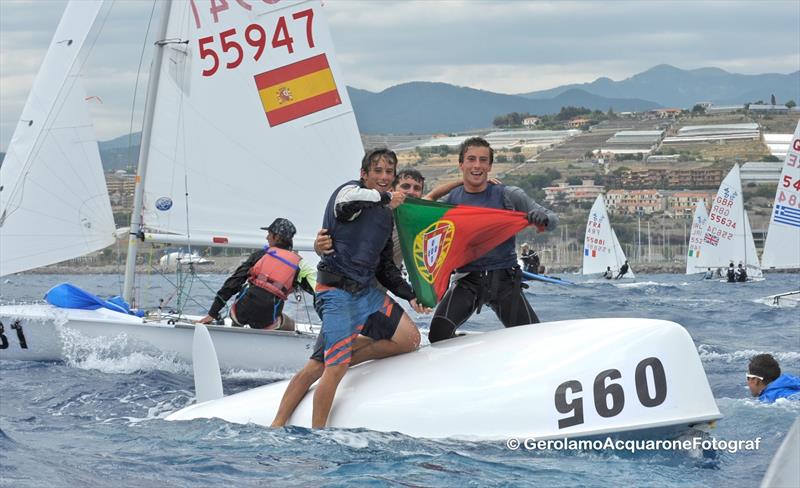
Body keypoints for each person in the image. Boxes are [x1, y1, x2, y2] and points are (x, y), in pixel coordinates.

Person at [272, 148, 426, 429]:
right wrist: (386, 197)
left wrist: (412, 295)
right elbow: (349, 202)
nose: (383, 176)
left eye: (388, 172)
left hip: (367, 294)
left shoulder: (387, 215)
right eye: (377, 171)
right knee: (328, 367)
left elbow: (385, 268)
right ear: (363, 174)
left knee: (409, 339)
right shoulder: (349, 194)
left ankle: (342, 354)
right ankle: (300, 429)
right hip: (337, 295)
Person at [428, 137, 558, 343]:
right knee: (438, 335)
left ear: (490, 166)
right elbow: (423, 208)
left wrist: (541, 218)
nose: (477, 165)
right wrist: (459, 182)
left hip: (505, 282)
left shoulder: (509, 195)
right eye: (471, 159)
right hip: (467, 282)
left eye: (483, 160)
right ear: (461, 164)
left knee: (534, 340)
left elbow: (552, 220)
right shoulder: (451, 201)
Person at [196, 218, 314, 330]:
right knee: (290, 324)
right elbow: (317, 291)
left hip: (240, 314)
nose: (267, 237)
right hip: (267, 320)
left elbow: (233, 283)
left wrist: (212, 313)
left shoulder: (260, 256)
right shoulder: (297, 264)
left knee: (240, 308)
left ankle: (235, 333)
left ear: (277, 237)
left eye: (269, 233)